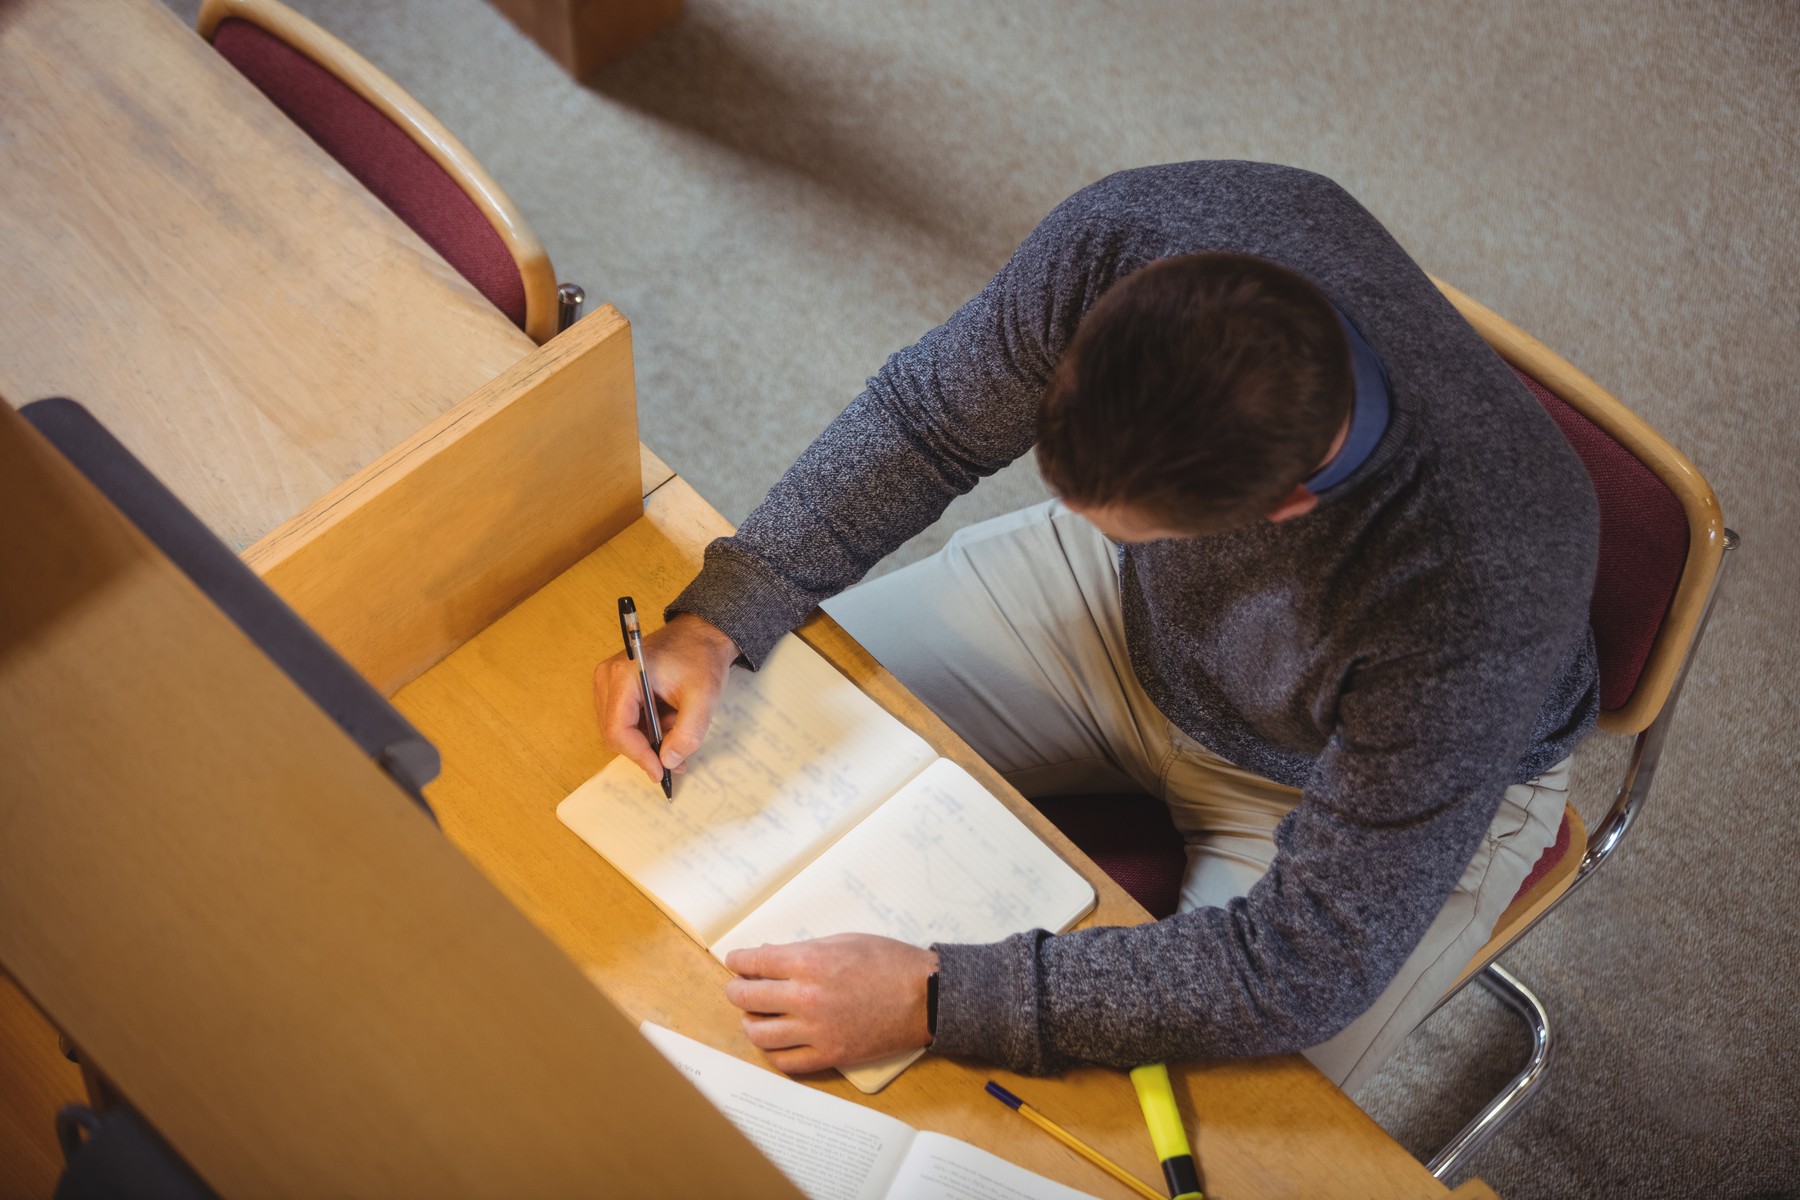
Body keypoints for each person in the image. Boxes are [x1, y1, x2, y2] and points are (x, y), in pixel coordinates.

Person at [593, 160, 1599, 1093]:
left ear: (1282, 511)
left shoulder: (1476, 588)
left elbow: (1302, 963)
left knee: (1186, 1152)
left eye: (1118, 511)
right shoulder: (1135, 235)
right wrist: (728, 611)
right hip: (1124, 607)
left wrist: (937, 998)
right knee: (721, 755)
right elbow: (927, 423)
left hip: (1352, 769)